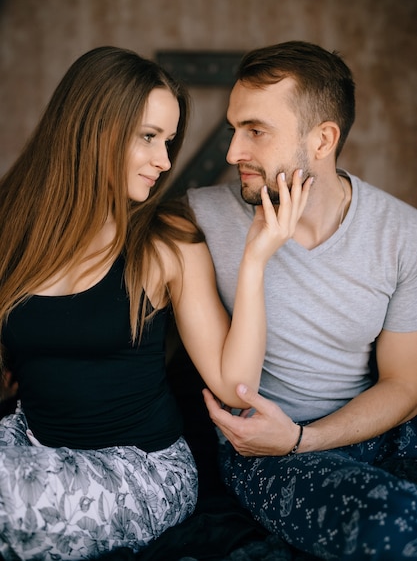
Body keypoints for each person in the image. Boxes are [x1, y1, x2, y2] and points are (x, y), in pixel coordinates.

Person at [0, 46, 311, 560]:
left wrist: (257, 259)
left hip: (139, 473)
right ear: (92, 127)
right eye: (149, 137)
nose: (164, 162)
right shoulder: (14, 227)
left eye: (169, 142)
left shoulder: (165, 240)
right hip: (28, 447)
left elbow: (236, 383)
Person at [187, 40, 417, 561]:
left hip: (374, 432)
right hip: (263, 453)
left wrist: (306, 438)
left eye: (256, 131)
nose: (232, 154)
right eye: (233, 129)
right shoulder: (198, 221)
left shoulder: (404, 234)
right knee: (398, 524)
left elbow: (404, 384)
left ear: (323, 139)